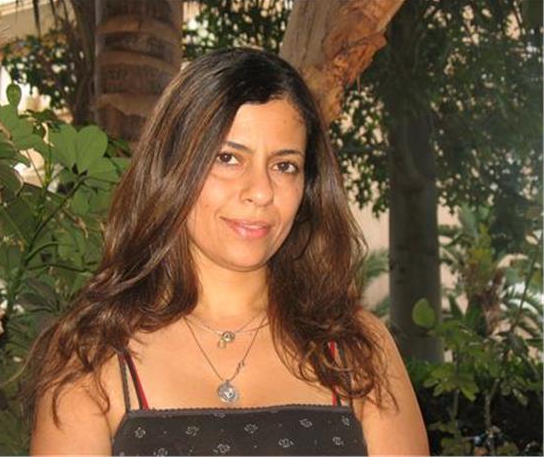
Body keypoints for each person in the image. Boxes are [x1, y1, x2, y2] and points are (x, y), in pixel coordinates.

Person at [25, 47, 429, 456]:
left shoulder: (355, 348)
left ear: (307, 186)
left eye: (284, 165)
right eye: (228, 158)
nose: (261, 191)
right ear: (172, 168)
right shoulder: (94, 353)